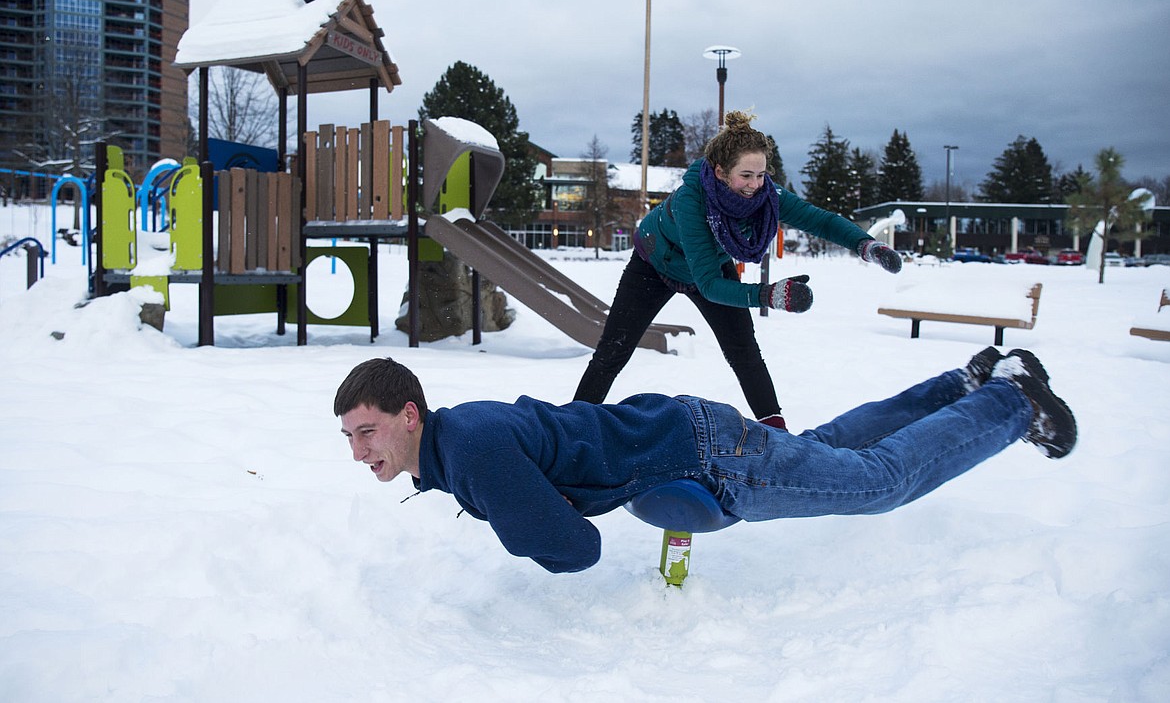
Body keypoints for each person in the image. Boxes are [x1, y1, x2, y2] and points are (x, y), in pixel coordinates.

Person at [335, 346, 1076, 574]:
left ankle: (1010, 402)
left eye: (367, 430)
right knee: (826, 449)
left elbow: (576, 549)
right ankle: (965, 383)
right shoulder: (458, 439)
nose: (361, 451)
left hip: (704, 457)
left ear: (409, 415)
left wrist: (527, 515)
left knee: (880, 481)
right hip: (682, 431)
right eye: (349, 439)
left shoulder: (472, 452)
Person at [573, 111, 904, 427]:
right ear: (720, 172)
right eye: (746, 175)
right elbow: (710, 286)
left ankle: (777, 434)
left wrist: (866, 245)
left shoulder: (767, 196)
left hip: (708, 268)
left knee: (744, 352)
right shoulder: (693, 201)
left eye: (761, 175)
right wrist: (769, 295)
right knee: (613, 351)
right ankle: (569, 428)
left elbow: (820, 220)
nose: (755, 184)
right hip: (654, 264)